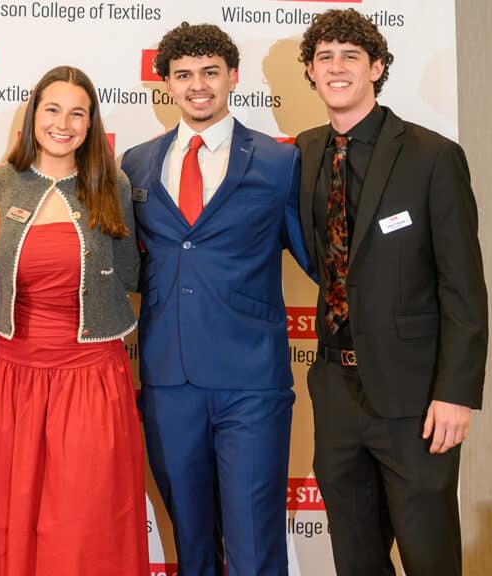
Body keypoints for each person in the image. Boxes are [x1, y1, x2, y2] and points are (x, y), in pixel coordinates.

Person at [296, 9, 487, 576]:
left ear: (376, 68)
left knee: (429, 557)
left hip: (415, 399)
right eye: (325, 57)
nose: (337, 68)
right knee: (355, 558)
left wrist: (455, 393)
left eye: (350, 56)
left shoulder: (433, 156)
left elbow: (463, 287)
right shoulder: (305, 151)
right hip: (335, 389)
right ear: (311, 71)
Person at [121, 23, 309, 576]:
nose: (197, 85)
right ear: (167, 84)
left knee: (254, 549)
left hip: (251, 384)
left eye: (209, 72)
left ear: (232, 77)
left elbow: (320, 260)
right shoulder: (136, 163)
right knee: (192, 548)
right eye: (183, 75)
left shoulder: (279, 162)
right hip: (168, 384)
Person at [0, 65, 146, 576]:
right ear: (33, 115)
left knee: (85, 522)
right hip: (11, 377)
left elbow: (130, 274)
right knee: (9, 518)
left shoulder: (112, 184)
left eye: (77, 113)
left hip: (91, 377)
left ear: (91, 123)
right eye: (52, 109)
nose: (63, 123)